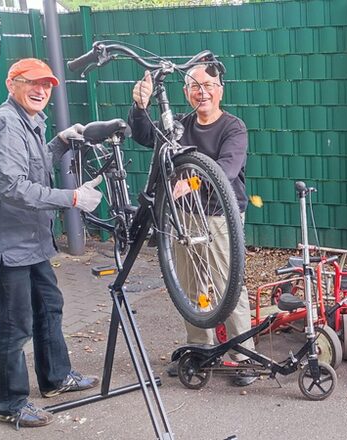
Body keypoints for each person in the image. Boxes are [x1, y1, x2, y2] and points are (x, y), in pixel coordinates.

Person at [0, 58, 102, 428]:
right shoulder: (4, 123)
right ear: (12, 84)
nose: (41, 90)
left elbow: (33, 163)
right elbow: (12, 187)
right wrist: (71, 198)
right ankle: (11, 403)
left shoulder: (27, 122)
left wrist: (59, 143)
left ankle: (56, 378)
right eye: (32, 83)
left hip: (29, 240)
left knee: (49, 305)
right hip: (4, 243)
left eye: (46, 84)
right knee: (16, 322)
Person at [127, 61, 255, 386]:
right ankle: (200, 349)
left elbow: (226, 168)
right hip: (184, 218)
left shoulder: (233, 127)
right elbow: (144, 136)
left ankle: (243, 358)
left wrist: (192, 181)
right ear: (186, 93)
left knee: (230, 286)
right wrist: (139, 106)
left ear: (220, 90)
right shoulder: (179, 125)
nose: (203, 92)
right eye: (195, 86)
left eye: (208, 85)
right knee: (190, 286)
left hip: (219, 217)